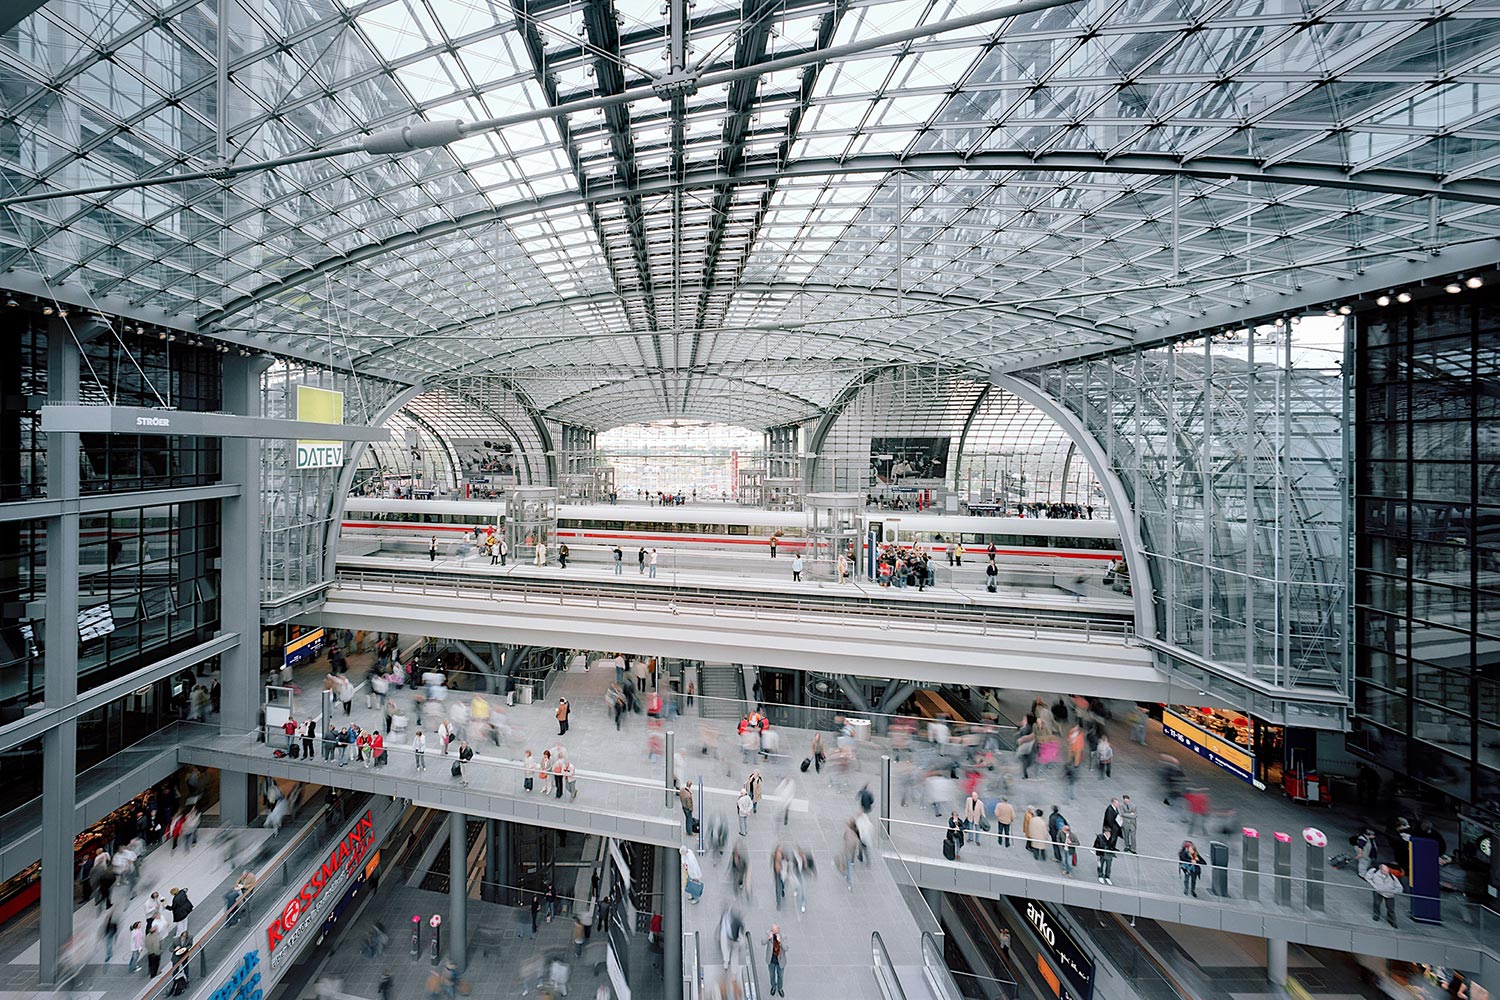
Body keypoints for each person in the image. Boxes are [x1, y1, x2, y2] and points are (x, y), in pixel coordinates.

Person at [764, 925, 788, 997]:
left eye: (775, 930)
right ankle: (773, 986)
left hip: (780, 961)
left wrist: (780, 941)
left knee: (780, 976)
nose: (773, 931)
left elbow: (786, 948)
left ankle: (780, 988)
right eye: (772, 930)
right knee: (772, 975)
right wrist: (768, 938)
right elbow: (762, 942)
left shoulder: (783, 936)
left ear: (778, 930)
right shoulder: (768, 934)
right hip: (771, 960)